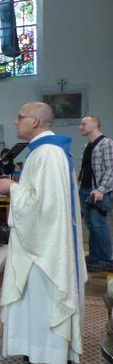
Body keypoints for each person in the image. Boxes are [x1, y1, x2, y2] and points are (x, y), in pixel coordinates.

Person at [0, 102, 86, 364]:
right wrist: (14, 189)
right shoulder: (46, 152)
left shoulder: (47, 154)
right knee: (37, 298)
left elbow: (46, 206)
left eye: (19, 117)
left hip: (46, 247)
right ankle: (44, 353)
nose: (15, 121)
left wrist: (12, 189)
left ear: (34, 121)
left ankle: (51, 358)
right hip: (42, 241)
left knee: (45, 297)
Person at [78, 115, 113, 272]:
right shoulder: (87, 146)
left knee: (99, 225)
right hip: (85, 190)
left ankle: (105, 259)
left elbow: (111, 169)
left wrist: (100, 189)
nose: (81, 126)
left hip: (99, 191)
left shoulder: (106, 144)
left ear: (95, 124)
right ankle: (94, 256)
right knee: (91, 225)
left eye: (84, 123)